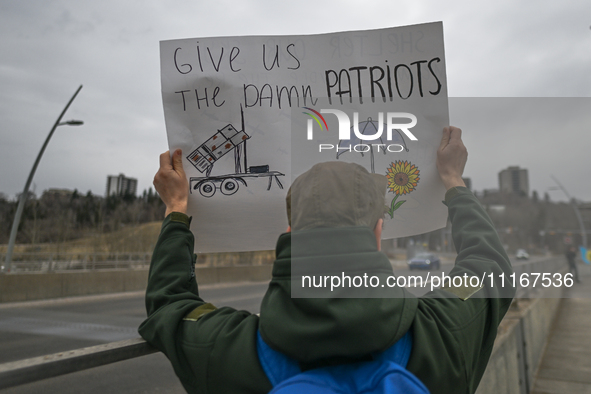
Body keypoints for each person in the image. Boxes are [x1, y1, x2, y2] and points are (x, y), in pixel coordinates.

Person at [139, 127, 515, 394]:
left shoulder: (225, 351)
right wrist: (453, 180)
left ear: (289, 233)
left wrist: (177, 209)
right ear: (378, 234)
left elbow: (169, 303)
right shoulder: (442, 334)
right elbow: (489, 266)